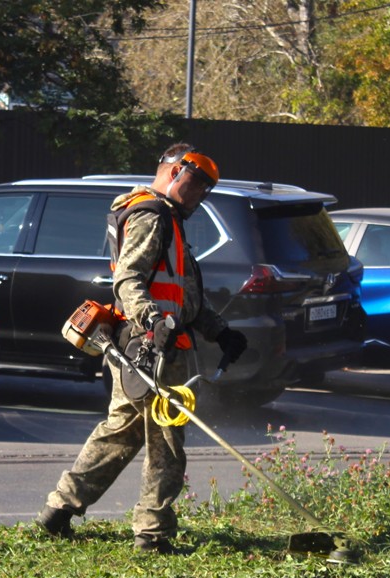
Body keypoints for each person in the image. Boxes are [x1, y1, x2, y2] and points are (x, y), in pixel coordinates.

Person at [34, 143, 248, 554]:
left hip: (145, 344)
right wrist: (153, 322)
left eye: (208, 188)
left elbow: (182, 293)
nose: (202, 195)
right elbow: (128, 280)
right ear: (173, 172)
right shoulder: (152, 214)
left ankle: (58, 509)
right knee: (166, 440)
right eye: (198, 183)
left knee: (120, 433)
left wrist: (219, 331)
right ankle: (152, 534)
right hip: (151, 347)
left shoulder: (169, 217)